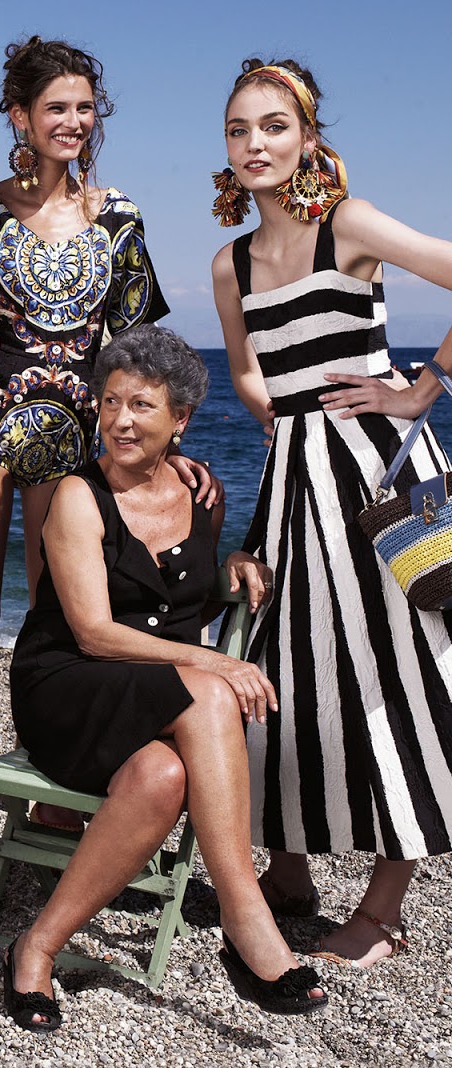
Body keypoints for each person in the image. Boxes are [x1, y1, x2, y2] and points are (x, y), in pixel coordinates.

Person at [0, 38, 201, 909]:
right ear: (20, 115)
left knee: (58, 628)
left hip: (78, 440)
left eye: (86, 107)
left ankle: (56, 800)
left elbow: (136, 346)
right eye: (57, 107)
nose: (74, 121)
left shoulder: (118, 214)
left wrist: (164, 443)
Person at [5, 325, 326, 1031]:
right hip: (68, 685)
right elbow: (93, 632)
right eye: (110, 402)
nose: (120, 420)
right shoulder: (77, 496)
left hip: (153, 696)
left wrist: (229, 567)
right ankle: (245, 916)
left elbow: (183, 606)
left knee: (162, 777)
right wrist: (215, 661)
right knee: (209, 689)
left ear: (179, 419)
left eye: (142, 405)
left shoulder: (199, 492)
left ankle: (36, 946)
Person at [210, 58, 452, 968]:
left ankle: (384, 909)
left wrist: (419, 388)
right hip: (295, 479)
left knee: (404, 667)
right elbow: (247, 372)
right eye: (239, 130)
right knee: (287, 667)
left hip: (379, 474)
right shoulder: (229, 264)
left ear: (308, 138)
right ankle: (289, 873)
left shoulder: (347, 223)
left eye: (274, 126)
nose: (255, 144)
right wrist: (289, 429)